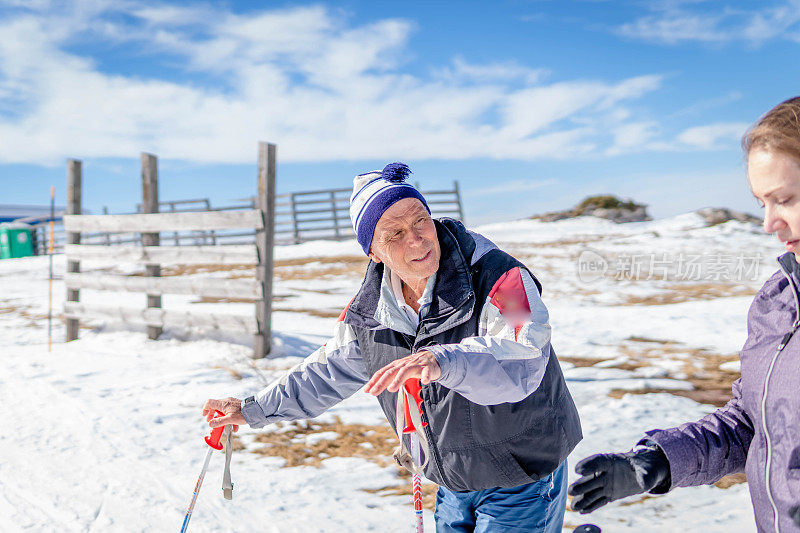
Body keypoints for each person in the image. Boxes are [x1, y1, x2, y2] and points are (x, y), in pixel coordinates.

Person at [203, 162, 582, 532]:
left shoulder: (501, 276)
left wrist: (443, 361)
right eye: (394, 234)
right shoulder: (369, 313)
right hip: (451, 479)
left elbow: (523, 357)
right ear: (373, 251)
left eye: (420, 220)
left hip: (522, 472)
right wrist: (253, 409)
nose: (416, 239)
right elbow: (327, 370)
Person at [568, 96, 800, 532]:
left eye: (783, 199)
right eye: (761, 203)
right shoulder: (778, 303)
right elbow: (752, 423)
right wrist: (658, 461)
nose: (769, 223)